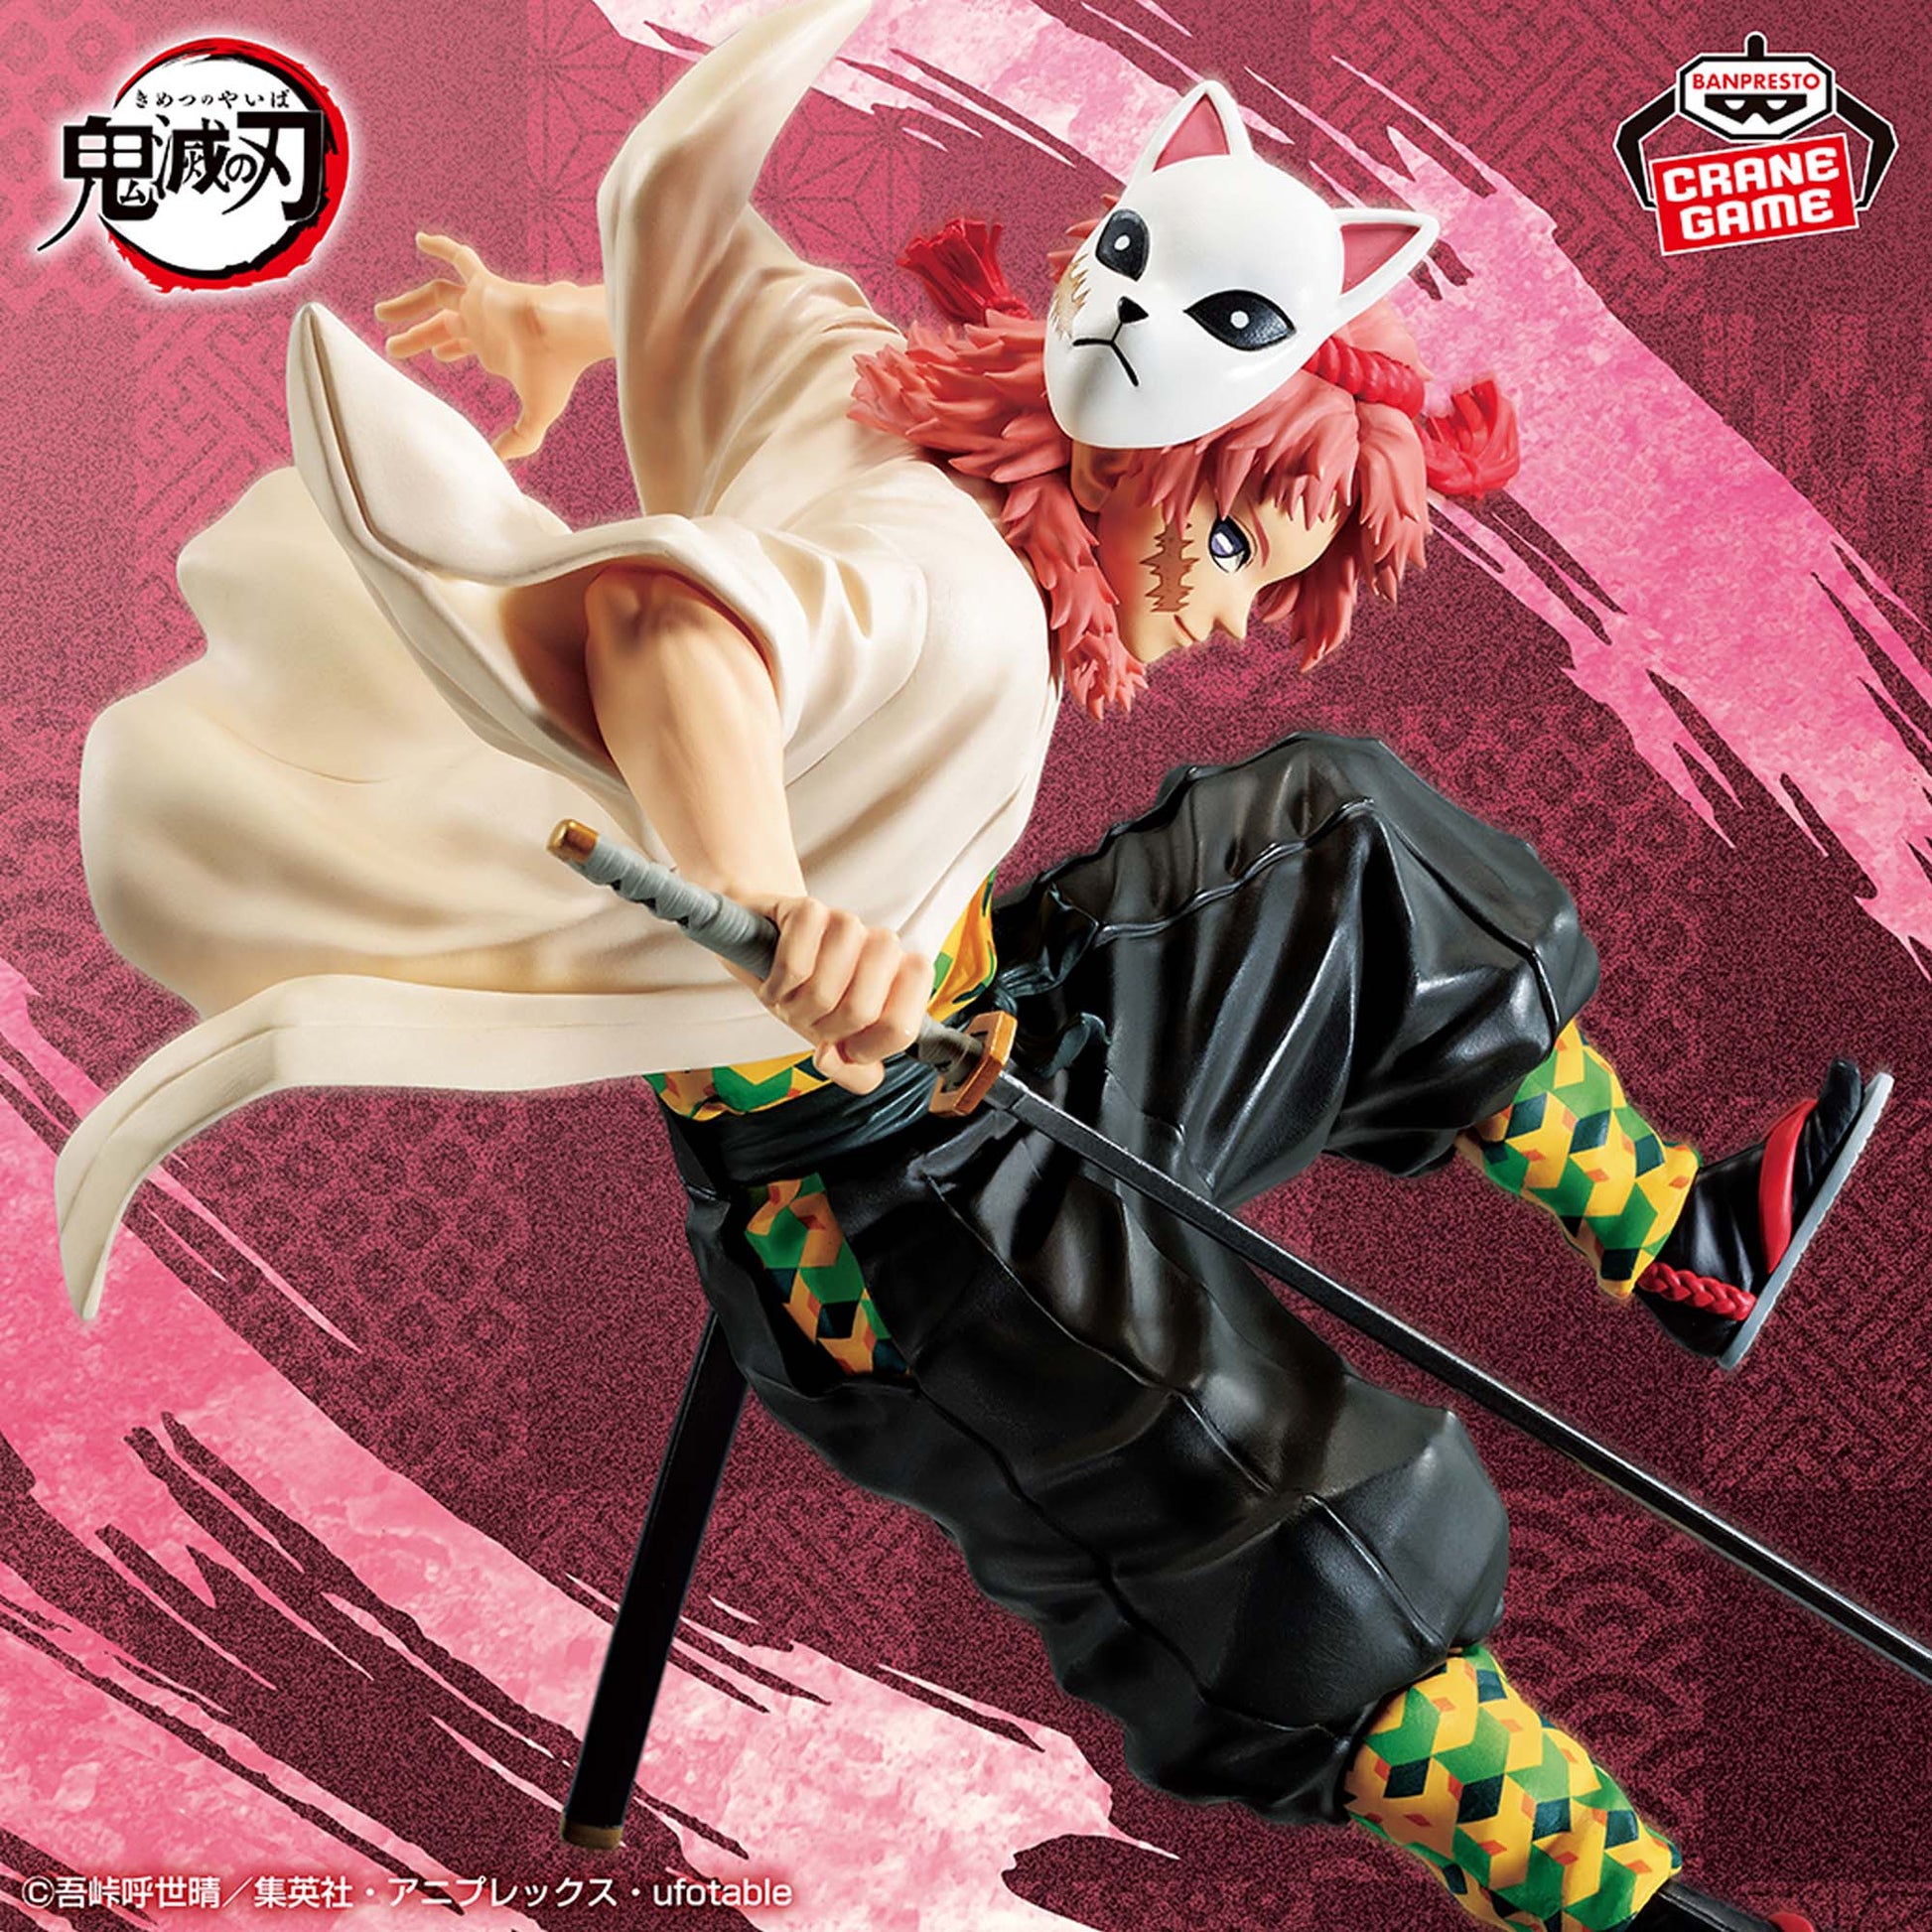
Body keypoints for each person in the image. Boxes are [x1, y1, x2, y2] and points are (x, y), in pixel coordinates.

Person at [55, 1, 1867, 1925]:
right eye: (1235, 540)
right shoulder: (954, 603)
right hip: (875, 1222)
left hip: (992, 1037)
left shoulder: (893, 394)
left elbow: (689, 286)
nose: (1226, 609)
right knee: (1292, 1524)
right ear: (1149, 448)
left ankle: (1678, 1237)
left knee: (1338, 849)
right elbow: (678, 635)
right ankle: (1621, 1909)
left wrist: (562, 328)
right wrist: (769, 905)